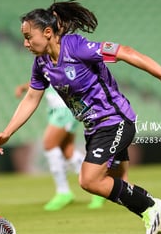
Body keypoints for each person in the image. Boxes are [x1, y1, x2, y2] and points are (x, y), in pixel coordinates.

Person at [0, 0, 161, 234]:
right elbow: (31, 98)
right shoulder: (41, 63)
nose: (25, 43)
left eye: (28, 36)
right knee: (118, 184)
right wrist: (7, 132)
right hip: (94, 128)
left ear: (48, 32)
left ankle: (152, 207)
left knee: (89, 180)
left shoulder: (77, 47)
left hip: (114, 120)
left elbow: (124, 52)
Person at [15, 83, 105, 211]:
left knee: (49, 144)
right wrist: (24, 87)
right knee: (68, 151)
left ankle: (63, 192)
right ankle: (97, 186)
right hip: (60, 110)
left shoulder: (56, 63)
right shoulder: (45, 65)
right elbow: (42, 79)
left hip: (63, 110)